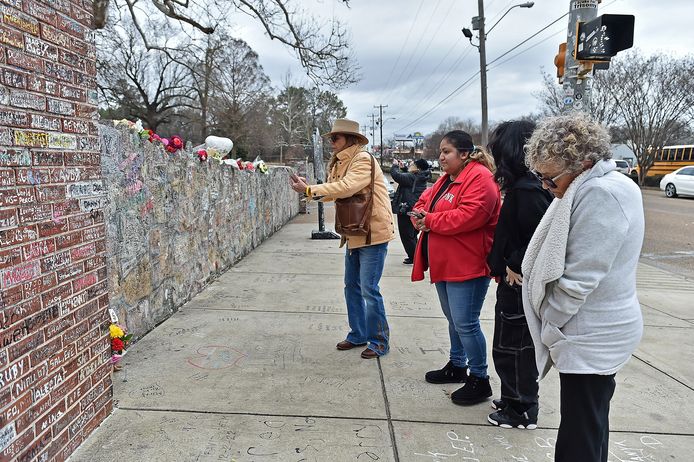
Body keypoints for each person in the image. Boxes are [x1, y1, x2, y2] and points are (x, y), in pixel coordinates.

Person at [521, 113, 644, 461]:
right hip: (597, 328)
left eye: (550, 178)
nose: (547, 187)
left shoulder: (601, 194)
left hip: (593, 334)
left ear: (583, 163)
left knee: (579, 435)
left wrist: (551, 321)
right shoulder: (599, 186)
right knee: (590, 423)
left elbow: (580, 278)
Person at [290, 118, 395, 359]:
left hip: (372, 233)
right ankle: (358, 334)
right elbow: (334, 189)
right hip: (354, 232)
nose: (331, 143)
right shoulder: (339, 162)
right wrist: (312, 191)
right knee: (352, 287)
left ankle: (379, 341)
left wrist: (310, 190)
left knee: (369, 289)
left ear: (350, 139)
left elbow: (346, 187)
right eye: (331, 138)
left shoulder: (362, 159)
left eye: (335, 138)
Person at [411, 130, 501, 404]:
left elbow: (470, 216)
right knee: (455, 321)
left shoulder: (480, 178)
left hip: (468, 264)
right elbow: (423, 203)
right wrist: (420, 216)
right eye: (440, 152)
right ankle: (457, 365)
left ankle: (480, 378)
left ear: (464, 153)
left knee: (466, 323)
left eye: (446, 152)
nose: (441, 157)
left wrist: (430, 220)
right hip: (445, 263)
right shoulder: (446, 180)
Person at [485, 120, 552, 429]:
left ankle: (521, 408)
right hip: (514, 280)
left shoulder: (527, 191)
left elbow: (540, 235)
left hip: (519, 283)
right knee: (509, 344)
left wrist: (514, 261)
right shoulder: (525, 186)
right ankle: (514, 398)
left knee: (514, 347)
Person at [390, 158, 431, 264]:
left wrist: (394, 166)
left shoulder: (413, 177)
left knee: (406, 235)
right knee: (412, 234)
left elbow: (397, 176)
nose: (410, 165)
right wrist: (403, 168)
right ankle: (418, 256)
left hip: (406, 208)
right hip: (413, 207)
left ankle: (415, 257)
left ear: (417, 168)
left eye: (412, 164)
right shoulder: (420, 176)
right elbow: (405, 178)